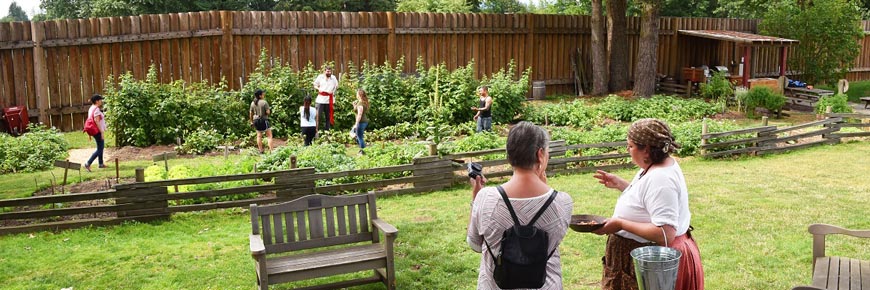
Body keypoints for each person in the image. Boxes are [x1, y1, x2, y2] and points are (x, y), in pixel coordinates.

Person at [592, 118, 704, 290]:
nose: (628, 150)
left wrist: (620, 224)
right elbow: (649, 201)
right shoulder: (656, 166)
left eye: (630, 146)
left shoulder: (661, 178)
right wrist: (622, 185)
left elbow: (665, 234)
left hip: (652, 262)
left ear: (647, 150)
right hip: (637, 257)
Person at [467, 121, 574, 289]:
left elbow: (475, 244)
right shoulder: (562, 202)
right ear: (540, 155)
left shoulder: (485, 198)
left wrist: (476, 199)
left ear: (509, 155)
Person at [84, 94, 107, 172]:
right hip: (97, 131)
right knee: (100, 149)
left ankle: (101, 163)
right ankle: (88, 163)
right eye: (100, 100)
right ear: (97, 101)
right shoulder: (96, 109)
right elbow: (97, 121)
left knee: (99, 147)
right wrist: (102, 132)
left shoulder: (91, 108)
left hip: (94, 131)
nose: (101, 101)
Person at [312, 66, 338, 131]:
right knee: (318, 116)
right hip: (320, 99)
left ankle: (327, 131)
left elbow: (336, 86)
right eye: (327, 71)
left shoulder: (333, 78)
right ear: (324, 71)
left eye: (330, 71)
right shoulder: (320, 77)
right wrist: (319, 89)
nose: (329, 73)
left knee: (328, 116)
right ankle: (315, 130)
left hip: (329, 100)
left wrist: (333, 92)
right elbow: (315, 84)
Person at [249, 89, 273, 154]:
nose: (264, 94)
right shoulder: (264, 102)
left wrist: (251, 121)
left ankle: (261, 150)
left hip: (255, 121)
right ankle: (271, 150)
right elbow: (268, 112)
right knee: (269, 136)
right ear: (260, 95)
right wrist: (268, 112)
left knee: (259, 136)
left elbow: (251, 113)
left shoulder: (253, 103)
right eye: (263, 94)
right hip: (263, 120)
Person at [353, 89, 370, 155]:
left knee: (359, 136)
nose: (356, 95)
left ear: (359, 95)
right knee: (356, 135)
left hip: (361, 122)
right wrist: (354, 106)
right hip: (363, 122)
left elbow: (360, 114)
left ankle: (362, 151)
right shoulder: (363, 102)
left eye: (357, 93)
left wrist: (356, 124)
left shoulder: (360, 103)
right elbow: (357, 112)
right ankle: (363, 148)